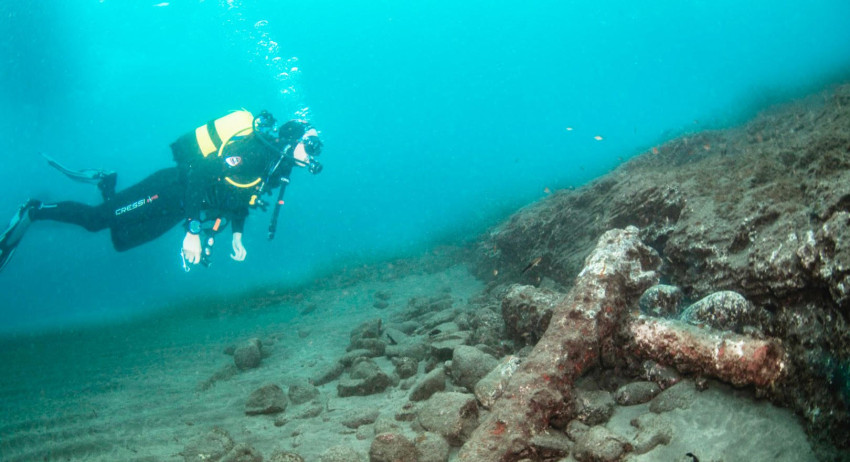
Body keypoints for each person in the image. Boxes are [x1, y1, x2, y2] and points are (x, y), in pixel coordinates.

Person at [0, 109, 323, 272]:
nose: (312, 154)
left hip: (181, 207)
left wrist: (237, 234)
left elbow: (239, 198)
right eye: (309, 146)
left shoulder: (274, 168)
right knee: (97, 221)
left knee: (121, 240)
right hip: (171, 189)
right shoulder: (254, 153)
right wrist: (194, 231)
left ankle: (107, 182)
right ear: (291, 140)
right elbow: (200, 174)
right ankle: (34, 210)